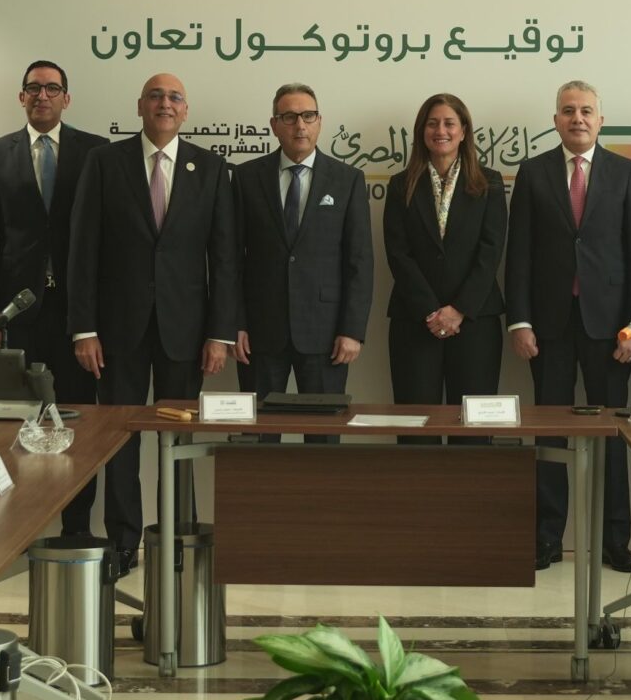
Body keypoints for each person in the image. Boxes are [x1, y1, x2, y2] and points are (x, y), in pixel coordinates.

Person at [68, 73, 240, 582]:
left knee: (179, 441)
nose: (165, 103)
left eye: (174, 97)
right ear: (140, 106)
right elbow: (83, 250)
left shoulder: (211, 168)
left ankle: (177, 539)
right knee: (120, 441)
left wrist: (220, 334)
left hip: (185, 332)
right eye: (156, 96)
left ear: (186, 111)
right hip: (116, 331)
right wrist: (83, 329)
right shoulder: (104, 162)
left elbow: (224, 258)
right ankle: (123, 543)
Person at [507, 81, 631, 573]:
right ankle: (547, 538)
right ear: (556, 121)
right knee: (549, 435)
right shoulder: (533, 172)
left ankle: (615, 540)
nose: (577, 118)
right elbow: (519, 254)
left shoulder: (626, 173)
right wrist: (520, 321)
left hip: (611, 331)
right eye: (568, 111)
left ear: (601, 120)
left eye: (586, 111)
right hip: (548, 326)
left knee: (612, 434)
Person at [0, 60, 101, 536]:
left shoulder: (95, 152)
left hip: (78, 315)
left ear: (67, 98)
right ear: (21, 96)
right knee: (19, 425)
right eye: (33, 88)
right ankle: (24, 529)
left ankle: (77, 530)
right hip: (18, 312)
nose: (42, 95)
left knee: (78, 421)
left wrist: (95, 317)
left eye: (52, 88)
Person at [232, 83, 373, 445]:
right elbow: (231, 258)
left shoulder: (348, 179)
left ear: (319, 122)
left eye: (308, 116)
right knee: (258, 440)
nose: (300, 125)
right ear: (274, 124)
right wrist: (236, 322)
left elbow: (359, 261)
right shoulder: (246, 178)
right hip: (260, 332)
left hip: (326, 334)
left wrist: (352, 330)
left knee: (323, 441)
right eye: (289, 117)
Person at [385, 92, 506, 444]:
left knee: (472, 433)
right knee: (415, 431)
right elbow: (398, 253)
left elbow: (490, 252)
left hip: (475, 321)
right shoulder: (400, 184)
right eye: (432, 123)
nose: (441, 131)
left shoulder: (490, 182)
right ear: (421, 131)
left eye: (449, 123)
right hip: (415, 320)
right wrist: (431, 311)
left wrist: (458, 310)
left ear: (464, 131)